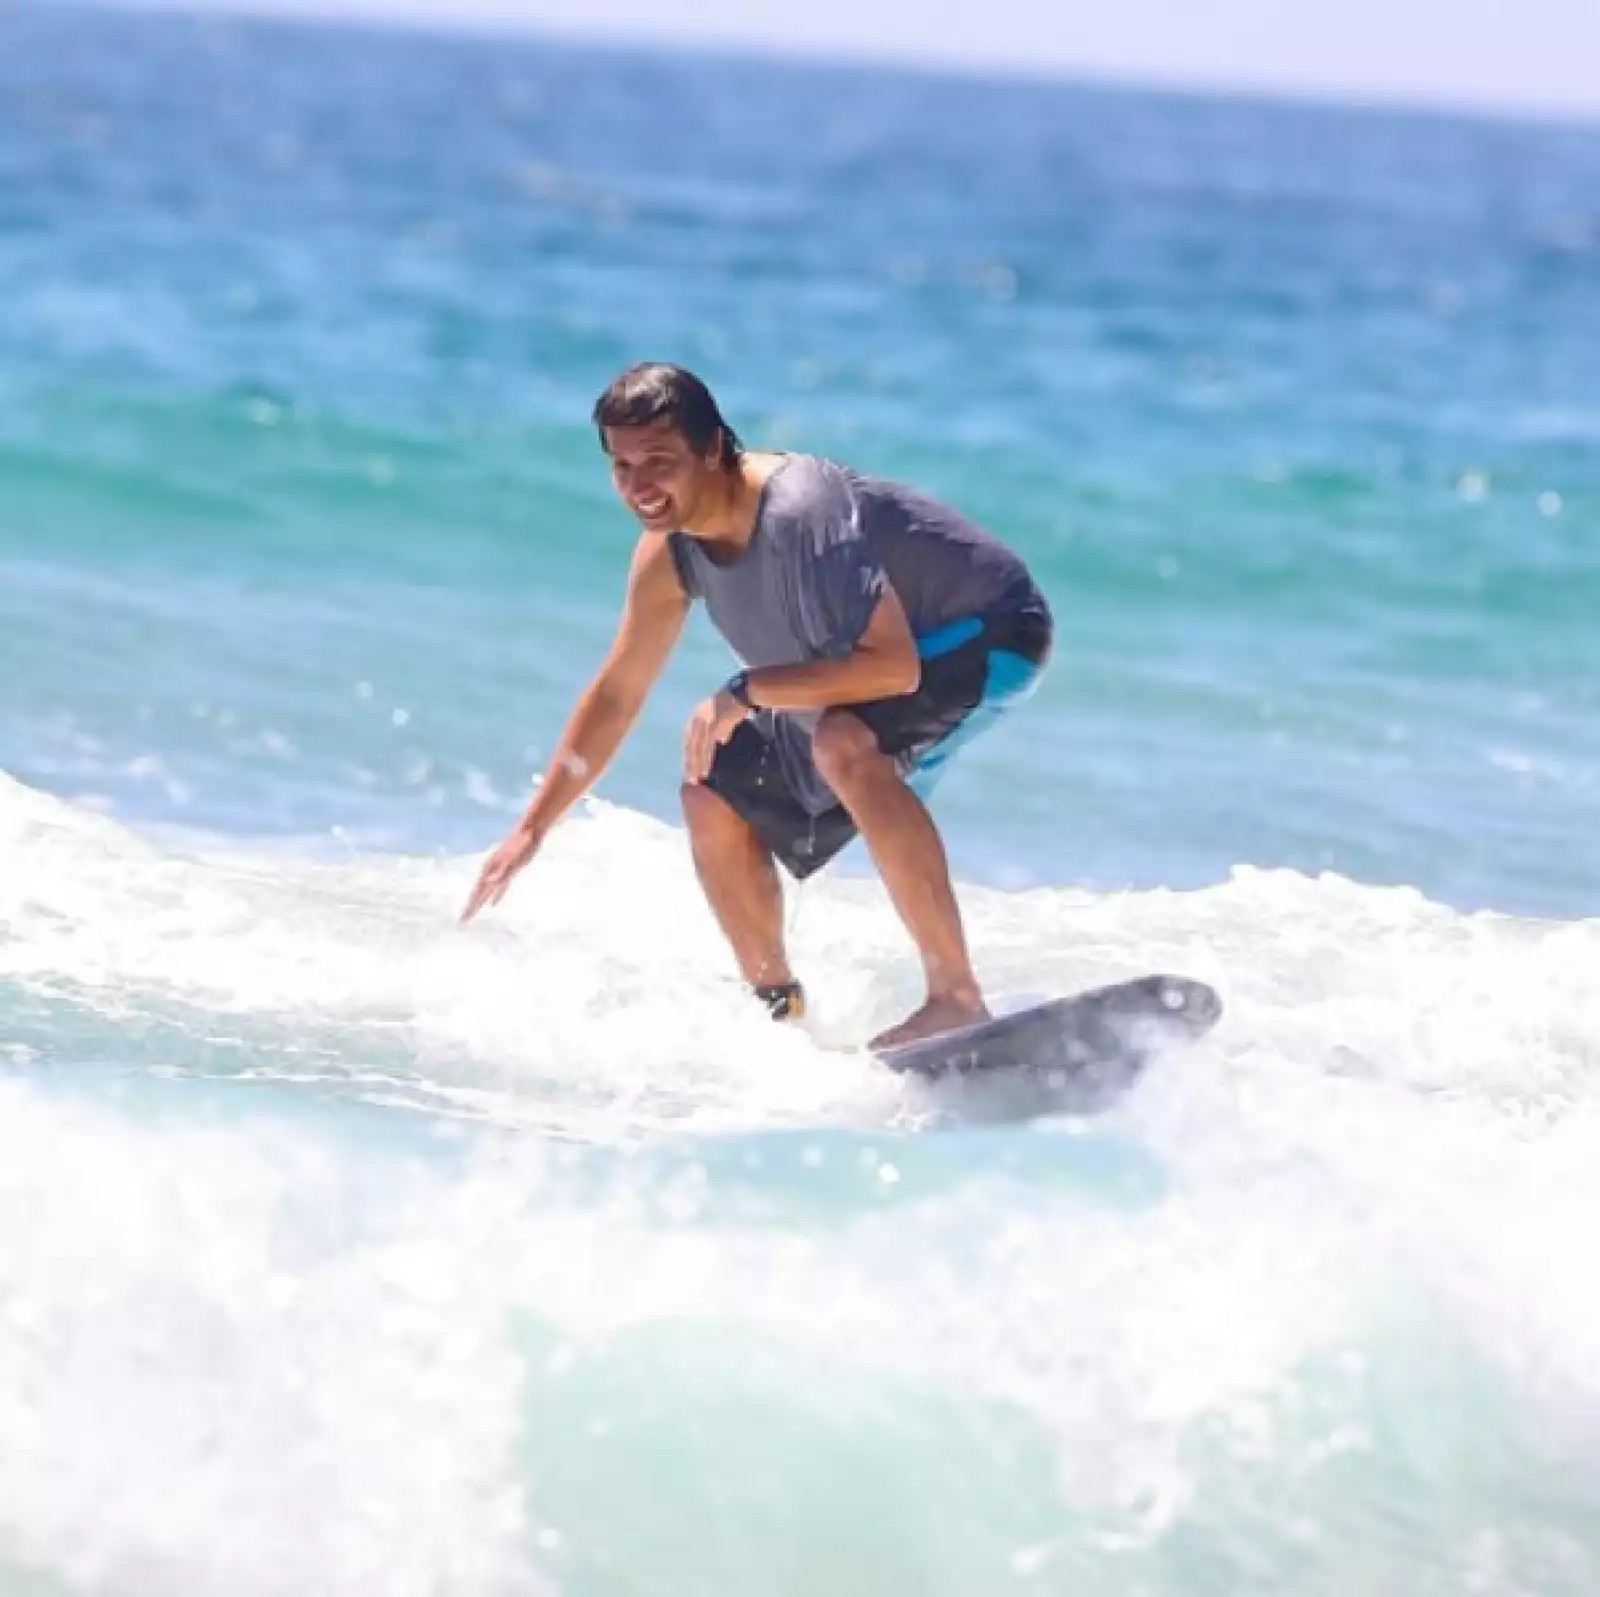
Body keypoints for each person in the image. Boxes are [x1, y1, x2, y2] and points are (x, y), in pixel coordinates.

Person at [460, 362, 1053, 1050]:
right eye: (622, 466)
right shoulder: (668, 552)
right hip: (857, 676)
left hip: (989, 630)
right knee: (710, 791)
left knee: (841, 742)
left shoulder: (800, 510)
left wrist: (746, 690)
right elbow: (620, 690)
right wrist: (532, 828)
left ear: (714, 447)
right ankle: (780, 1016)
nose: (640, 486)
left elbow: (894, 667)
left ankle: (955, 996)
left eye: (660, 461)